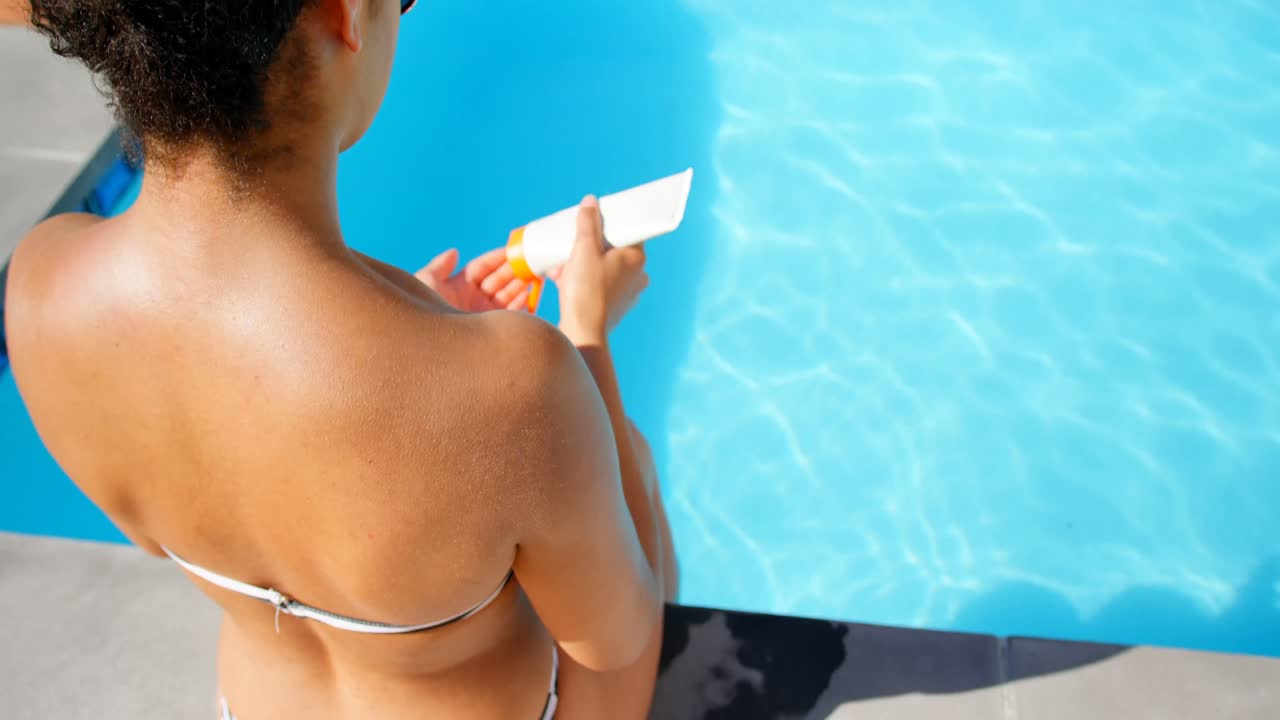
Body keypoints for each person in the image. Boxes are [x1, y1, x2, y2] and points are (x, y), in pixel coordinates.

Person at [3, 1, 677, 718]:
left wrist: (411, 318)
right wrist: (587, 339)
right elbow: (619, 642)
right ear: (345, 13)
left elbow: (169, 520)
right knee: (625, 459)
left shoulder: (42, 288)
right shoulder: (519, 386)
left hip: (252, 705)